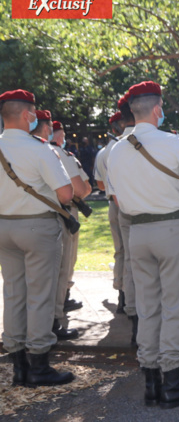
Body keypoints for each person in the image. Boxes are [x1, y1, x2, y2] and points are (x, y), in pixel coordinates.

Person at [108, 80, 179, 409]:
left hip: (137, 232)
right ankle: (172, 381)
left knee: (147, 307)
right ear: (157, 109)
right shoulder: (171, 142)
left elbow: (117, 198)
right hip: (170, 228)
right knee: (174, 305)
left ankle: (151, 381)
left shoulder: (116, 150)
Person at [0, 89, 75, 387]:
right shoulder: (40, 149)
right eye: (33, 112)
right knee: (40, 295)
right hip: (37, 227)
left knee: (13, 293)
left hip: (4, 226)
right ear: (26, 115)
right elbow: (66, 194)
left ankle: (18, 363)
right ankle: (40, 364)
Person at [31, 114, 92, 341]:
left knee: (22, 282)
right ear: (48, 129)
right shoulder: (50, 152)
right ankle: (54, 321)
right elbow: (78, 191)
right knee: (61, 269)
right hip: (58, 215)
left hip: (16, 221)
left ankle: (21, 336)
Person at [51, 121, 88, 315]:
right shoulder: (60, 154)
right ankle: (59, 307)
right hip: (65, 211)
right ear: (59, 136)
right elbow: (81, 190)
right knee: (65, 261)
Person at [114, 93, 140, 341]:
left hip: (124, 210)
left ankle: (135, 320)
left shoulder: (112, 149)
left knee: (131, 262)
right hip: (156, 216)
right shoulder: (163, 142)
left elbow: (112, 193)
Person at [95, 111, 126, 314]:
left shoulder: (104, 152)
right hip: (131, 203)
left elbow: (99, 184)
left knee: (120, 251)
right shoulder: (129, 147)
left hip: (113, 205)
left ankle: (122, 295)